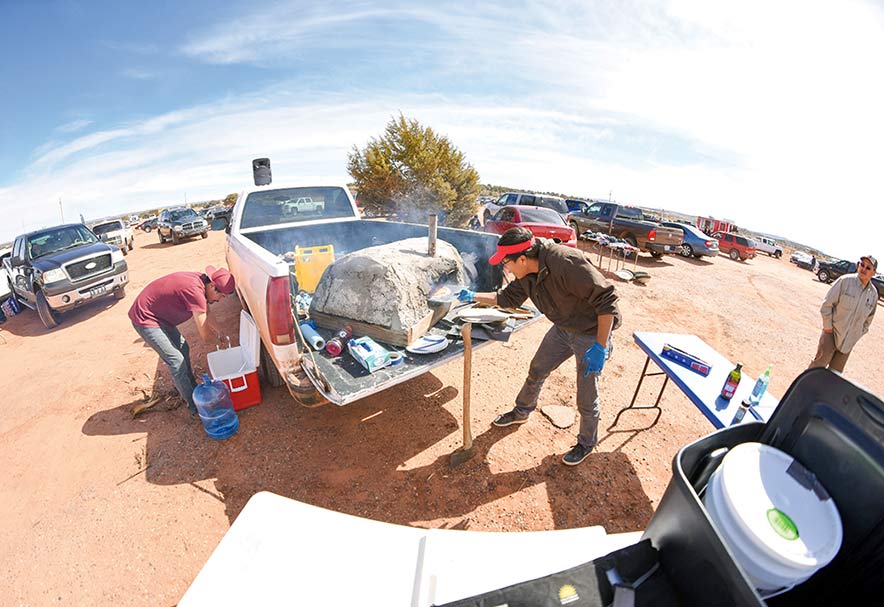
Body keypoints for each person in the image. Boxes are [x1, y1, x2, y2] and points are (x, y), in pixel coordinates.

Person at [458, 227, 621, 466]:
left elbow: (607, 299)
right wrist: (473, 296)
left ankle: (587, 442)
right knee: (537, 369)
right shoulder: (526, 273)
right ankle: (521, 411)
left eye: (507, 263)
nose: (506, 268)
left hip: (590, 333)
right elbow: (507, 299)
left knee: (586, 392)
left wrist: (600, 345)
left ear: (522, 258)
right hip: (563, 328)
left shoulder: (566, 262)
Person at [129, 266, 236, 413]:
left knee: (183, 347)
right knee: (176, 360)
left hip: (161, 317)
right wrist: (219, 343)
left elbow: (207, 311)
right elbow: (205, 336)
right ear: (212, 286)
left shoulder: (202, 284)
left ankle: (190, 388)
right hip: (146, 317)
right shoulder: (195, 291)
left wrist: (220, 332)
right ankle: (194, 406)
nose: (220, 300)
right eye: (221, 296)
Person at [808, 255, 877, 373]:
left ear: (874, 273)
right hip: (831, 334)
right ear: (857, 265)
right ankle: (803, 390)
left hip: (848, 342)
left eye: (868, 268)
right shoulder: (844, 281)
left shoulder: (873, 294)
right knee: (817, 368)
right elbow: (827, 305)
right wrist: (828, 328)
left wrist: (857, 335)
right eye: (862, 265)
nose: (863, 269)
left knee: (834, 375)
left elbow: (868, 321)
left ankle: (822, 392)